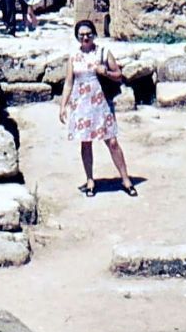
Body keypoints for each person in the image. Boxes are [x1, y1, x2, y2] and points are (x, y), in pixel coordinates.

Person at [58, 19, 137, 198]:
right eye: (82, 35)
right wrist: (63, 106)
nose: (85, 37)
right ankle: (90, 180)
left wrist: (106, 72)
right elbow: (69, 83)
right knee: (86, 143)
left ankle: (126, 179)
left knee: (112, 142)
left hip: (101, 104)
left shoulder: (103, 52)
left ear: (94, 34)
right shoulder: (73, 57)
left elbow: (119, 76)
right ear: (77, 37)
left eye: (88, 34)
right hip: (81, 105)